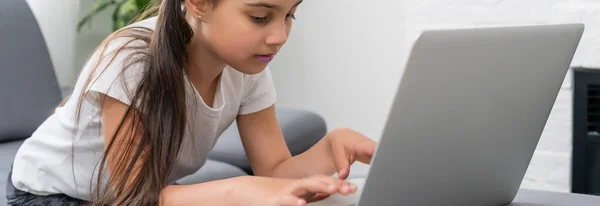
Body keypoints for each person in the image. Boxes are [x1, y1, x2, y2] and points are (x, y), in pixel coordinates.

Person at [6, 0, 377, 205]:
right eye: (260, 16)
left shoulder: (248, 67)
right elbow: (134, 198)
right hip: (53, 195)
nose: (279, 36)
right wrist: (237, 189)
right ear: (198, 3)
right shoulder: (131, 59)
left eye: (290, 14)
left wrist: (331, 149)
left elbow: (274, 171)